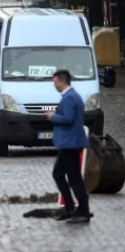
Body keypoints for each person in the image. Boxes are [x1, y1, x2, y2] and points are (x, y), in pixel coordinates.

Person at [45, 70, 91, 224]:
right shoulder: (71, 96)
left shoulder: (69, 98)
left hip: (70, 144)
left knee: (74, 177)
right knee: (59, 174)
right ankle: (70, 207)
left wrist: (53, 116)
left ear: (62, 81)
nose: (54, 84)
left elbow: (68, 119)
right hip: (69, 143)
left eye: (55, 81)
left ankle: (82, 210)